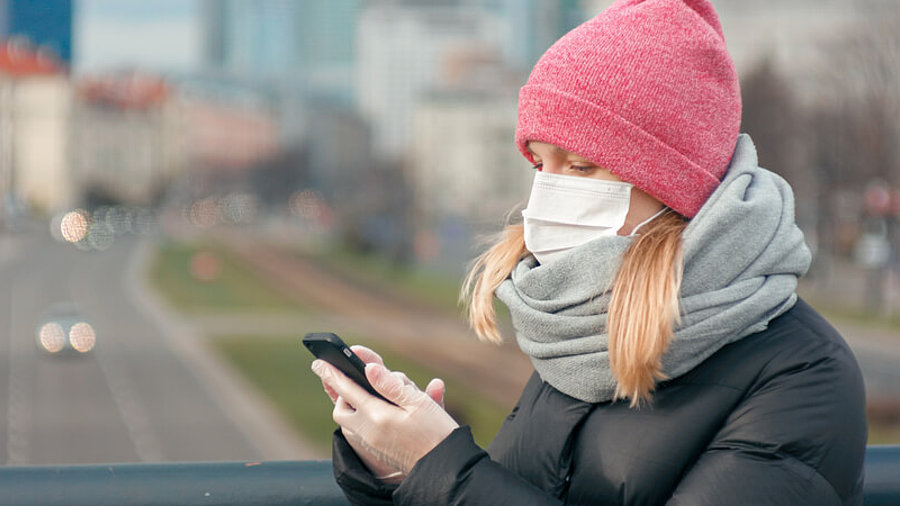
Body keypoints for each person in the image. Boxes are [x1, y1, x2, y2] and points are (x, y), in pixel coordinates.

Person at [311, 0, 868, 503]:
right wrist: (399, 471)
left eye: (580, 166)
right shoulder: (581, 332)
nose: (547, 193)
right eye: (540, 163)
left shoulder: (802, 375)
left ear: (674, 184)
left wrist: (441, 470)